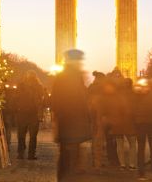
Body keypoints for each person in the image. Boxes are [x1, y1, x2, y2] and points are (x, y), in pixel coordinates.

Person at [50, 49, 92, 181]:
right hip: (71, 127)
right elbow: (73, 102)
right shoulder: (69, 77)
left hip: (71, 126)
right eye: (79, 60)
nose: (81, 63)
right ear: (73, 61)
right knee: (69, 163)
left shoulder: (68, 76)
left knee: (68, 162)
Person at [130, 76, 152, 180]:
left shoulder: (136, 91)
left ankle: (141, 174)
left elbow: (132, 108)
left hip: (140, 124)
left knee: (140, 149)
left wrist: (133, 122)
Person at [11, 73, 45, 160]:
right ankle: (31, 154)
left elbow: (15, 98)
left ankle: (21, 153)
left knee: (21, 134)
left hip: (21, 113)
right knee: (33, 136)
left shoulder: (20, 86)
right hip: (33, 114)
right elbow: (40, 101)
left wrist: (16, 109)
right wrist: (40, 114)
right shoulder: (38, 87)